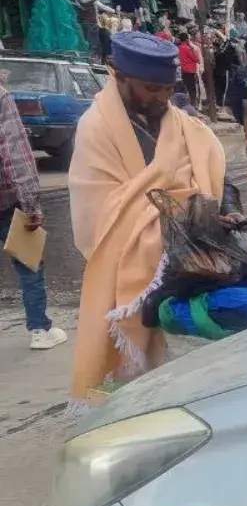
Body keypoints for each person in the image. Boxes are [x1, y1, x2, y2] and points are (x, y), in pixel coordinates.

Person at [66, 31, 225, 402]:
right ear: (119, 78)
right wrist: (165, 218)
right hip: (135, 263)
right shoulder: (95, 128)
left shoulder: (185, 124)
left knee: (192, 361)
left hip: (192, 254)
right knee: (146, 381)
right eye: (151, 88)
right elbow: (101, 211)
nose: (162, 98)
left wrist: (221, 211)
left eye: (168, 89)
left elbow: (214, 172)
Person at [0, 71, 66, 351]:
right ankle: (39, 329)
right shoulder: (1, 96)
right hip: (6, 200)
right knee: (29, 262)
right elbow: (13, 153)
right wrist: (30, 203)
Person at [177, 30, 203, 106]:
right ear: (186, 39)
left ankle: (185, 103)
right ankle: (193, 104)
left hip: (183, 70)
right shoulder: (188, 48)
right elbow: (196, 59)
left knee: (186, 87)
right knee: (192, 89)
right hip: (191, 71)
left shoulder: (179, 47)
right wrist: (191, 49)